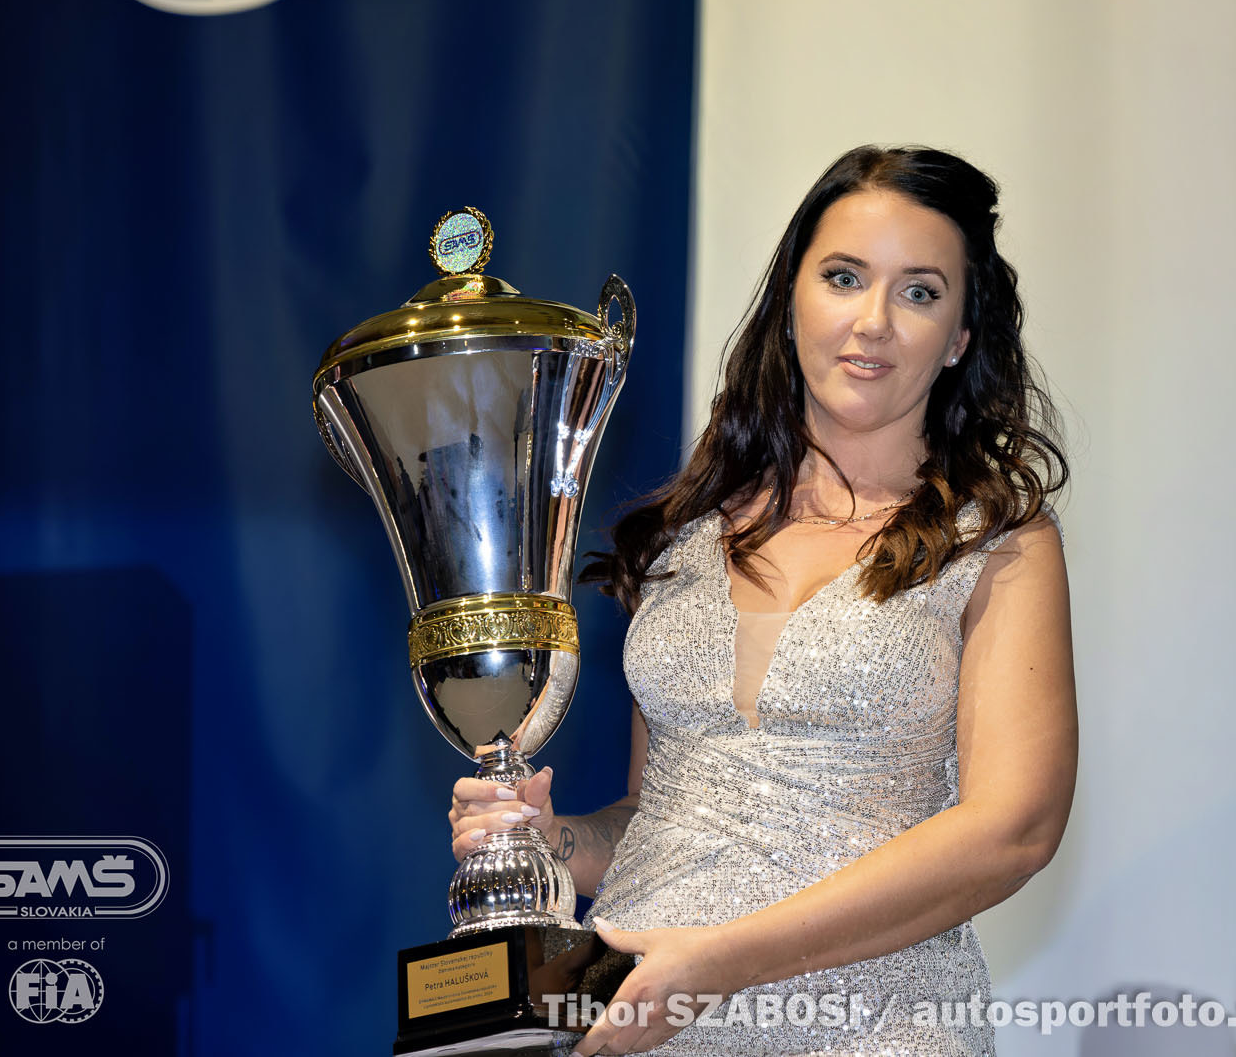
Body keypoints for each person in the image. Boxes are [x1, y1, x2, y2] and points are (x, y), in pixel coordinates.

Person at [448, 145, 1076, 1055]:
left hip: (874, 1029)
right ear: (791, 298)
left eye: (920, 291)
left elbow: (1010, 830)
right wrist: (555, 840)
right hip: (647, 1025)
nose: (872, 321)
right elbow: (659, 813)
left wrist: (721, 961)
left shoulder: (998, 541)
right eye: (844, 277)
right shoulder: (683, 535)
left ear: (960, 337)